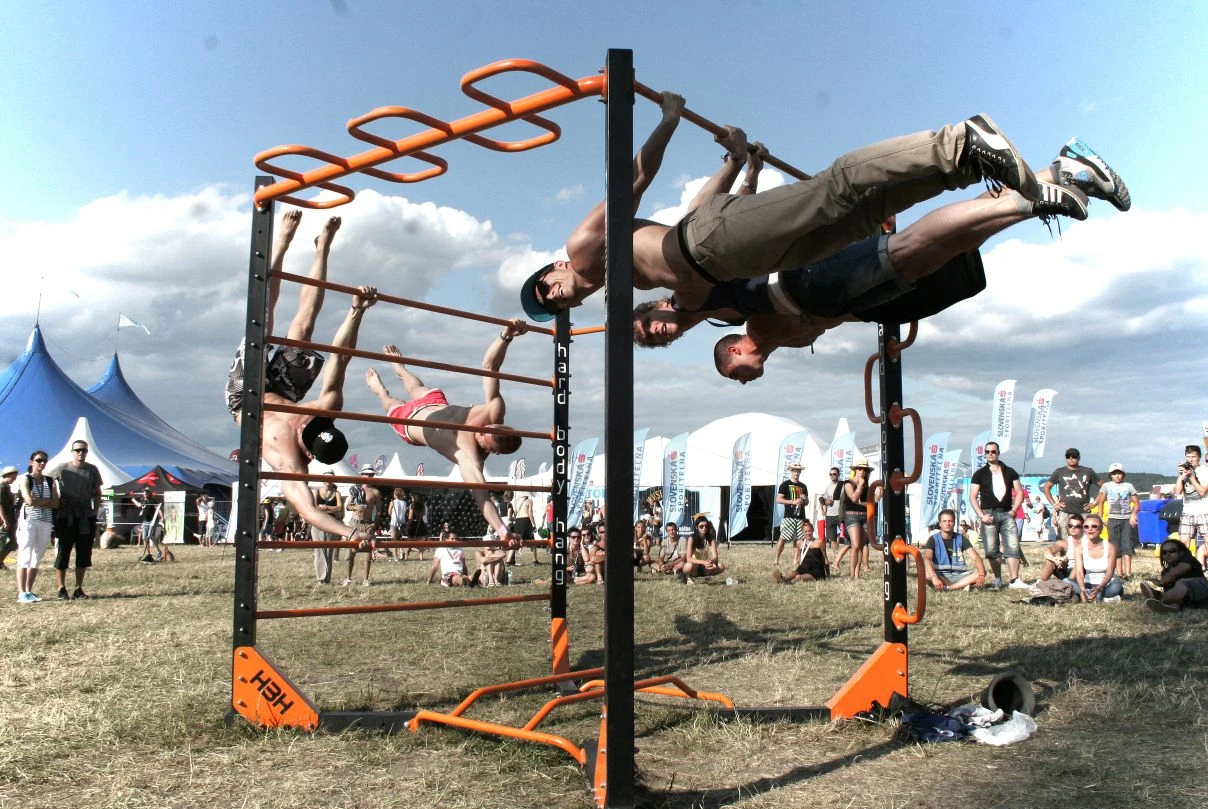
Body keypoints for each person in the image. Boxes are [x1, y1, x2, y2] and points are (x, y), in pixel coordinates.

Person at [520, 91, 1066, 321]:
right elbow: (685, 226)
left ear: (555, 268)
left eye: (546, 288)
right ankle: (970, 166)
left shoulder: (584, 250)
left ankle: (955, 141)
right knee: (857, 217)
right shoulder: (622, 283)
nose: (558, 297)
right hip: (727, 253)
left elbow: (633, 182)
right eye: (555, 306)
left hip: (712, 243)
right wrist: (737, 165)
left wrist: (667, 119)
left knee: (834, 189)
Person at [634, 154, 1103, 360]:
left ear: (654, 305)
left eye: (649, 327)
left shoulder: (686, 289)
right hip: (819, 287)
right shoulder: (709, 315)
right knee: (930, 253)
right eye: (656, 342)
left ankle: (1033, 192)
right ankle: (1048, 178)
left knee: (910, 246)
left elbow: (705, 219)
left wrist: (739, 165)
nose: (659, 334)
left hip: (808, 275)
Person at [224, 211, 379, 544]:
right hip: (282, 393)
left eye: (304, 430)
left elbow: (307, 509)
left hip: (245, 400)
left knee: (262, 324)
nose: (302, 422)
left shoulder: (289, 460)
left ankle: (280, 241)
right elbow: (340, 356)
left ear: (308, 453)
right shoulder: (325, 407)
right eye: (311, 422)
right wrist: (357, 311)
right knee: (304, 329)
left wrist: (350, 533)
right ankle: (319, 247)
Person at [365, 318, 529, 545]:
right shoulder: (494, 410)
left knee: (390, 402)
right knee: (414, 386)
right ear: (498, 423)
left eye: (483, 437)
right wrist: (506, 335)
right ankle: (399, 367)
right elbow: (490, 366)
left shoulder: (468, 457)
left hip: (411, 422)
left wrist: (502, 531)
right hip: (434, 404)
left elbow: (482, 498)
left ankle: (380, 390)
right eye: (486, 428)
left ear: (492, 451)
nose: (479, 431)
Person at [968, 441, 1027, 589]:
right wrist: (982, 516)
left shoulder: (1010, 471)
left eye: (993, 451)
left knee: (1013, 546)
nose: (990, 454)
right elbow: (972, 497)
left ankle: (1014, 580)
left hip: (1006, 513)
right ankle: (998, 579)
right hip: (988, 514)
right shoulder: (979, 474)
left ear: (998, 452)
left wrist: (1014, 510)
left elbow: (1020, 492)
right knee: (991, 549)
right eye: (987, 452)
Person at [52, 439, 104, 600]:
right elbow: (48, 483)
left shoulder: (92, 470)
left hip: (85, 515)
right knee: (63, 552)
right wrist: (57, 500)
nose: (81, 453)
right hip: (66, 515)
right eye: (78, 450)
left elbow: (97, 492)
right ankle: (61, 588)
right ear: (72, 451)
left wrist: (94, 511)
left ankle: (78, 588)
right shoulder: (62, 468)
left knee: (83, 553)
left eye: (84, 450)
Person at [15, 451, 58, 602]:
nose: (42, 463)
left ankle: (29, 590)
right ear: (31, 462)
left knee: (38, 556)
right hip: (29, 520)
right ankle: (21, 593)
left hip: (45, 520)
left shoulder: (49, 480)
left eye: (44, 461)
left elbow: (56, 502)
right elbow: (29, 500)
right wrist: (46, 501)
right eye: (39, 460)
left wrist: (38, 501)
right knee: (25, 554)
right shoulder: (25, 479)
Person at [1087, 463, 1139, 577]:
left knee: (1127, 546)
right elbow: (1100, 502)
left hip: (1126, 519)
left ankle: (1128, 573)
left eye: (1119, 473)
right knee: (1115, 547)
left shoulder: (1129, 486)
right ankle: (1119, 573)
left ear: (1123, 474)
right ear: (1110, 475)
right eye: (1114, 473)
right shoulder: (1106, 486)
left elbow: (1136, 503)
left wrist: (1133, 514)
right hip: (1112, 519)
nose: (1117, 476)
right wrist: (1101, 518)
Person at [1042, 447, 1104, 540]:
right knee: (1063, 535)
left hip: (1084, 511)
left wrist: (1095, 503)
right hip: (1065, 510)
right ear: (1065, 458)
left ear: (1079, 458)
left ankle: (1085, 553)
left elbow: (1104, 487)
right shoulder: (1059, 472)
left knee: (1087, 536)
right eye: (1068, 456)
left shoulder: (1088, 471)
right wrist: (1054, 504)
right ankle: (1064, 553)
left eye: (1074, 456)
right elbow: (1046, 487)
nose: (1071, 458)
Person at [921, 509, 987, 591]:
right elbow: (927, 558)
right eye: (944, 521)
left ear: (954, 523)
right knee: (924, 574)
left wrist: (981, 575)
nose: (947, 524)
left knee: (982, 571)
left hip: (960, 575)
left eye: (950, 521)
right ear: (940, 524)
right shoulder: (933, 539)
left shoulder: (961, 538)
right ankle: (963, 586)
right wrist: (934, 576)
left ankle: (950, 587)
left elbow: (977, 557)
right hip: (941, 575)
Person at [1141, 539, 1208, 613]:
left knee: (1182, 582)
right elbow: (1171, 589)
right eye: (1164, 552)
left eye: (1172, 551)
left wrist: (1160, 582)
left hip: (1203, 592)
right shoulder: (1165, 573)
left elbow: (1177, 571)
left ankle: (1159, 597)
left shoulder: (1188, 559)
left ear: (1181, 552)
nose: (1167, 554)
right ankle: (1170, 607)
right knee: (1174, 595)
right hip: (1190, 602)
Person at [342, 466, 382, 586]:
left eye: (371, 474)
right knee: (350, 553)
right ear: (362, 475)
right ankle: (348, 578)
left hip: (367, 523)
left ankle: (366, 579)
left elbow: (379, 510)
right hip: (354, 522)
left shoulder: (375, 492)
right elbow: (348, 506)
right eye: (366, 474)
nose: (369, 477)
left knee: (367, 553)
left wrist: (375, 523)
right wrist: (355, 507)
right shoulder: (356, 489)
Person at [835, 457, 874, 579]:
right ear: (855, 470)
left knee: (861, 545)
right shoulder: (848, 483)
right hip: (851, 516)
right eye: (860, 468)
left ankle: (857, 574)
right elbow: (853, 498)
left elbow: (872, 502)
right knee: (855, 545)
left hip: (864, 516)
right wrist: (860, 486)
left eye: (865, 469)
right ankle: (852, 574)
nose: (862, 471)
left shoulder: (867, 485)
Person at [1069, 515, 1122, 602]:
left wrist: (1099, 588)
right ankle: (1104, 599)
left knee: (1117, 586)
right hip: (1087, 585)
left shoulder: (1110, 547)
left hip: (1105, 585)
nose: (1090, 529)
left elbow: (1110, 573)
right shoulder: (1079, 548)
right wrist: (1082, 588)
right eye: (1086, 526)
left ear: (1101, 529)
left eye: (1094, 526)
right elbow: (1079, 572)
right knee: (1066, 581)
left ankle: (1092, 597)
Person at [1172, 444, 1208, 562]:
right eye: (1188, 457)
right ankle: (1184, 568)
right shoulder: (1185, 471)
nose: (1190, 459)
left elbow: (1202, 491)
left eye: (1193, 456)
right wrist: (1181, 476)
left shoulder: (1204, 471)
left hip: (1203, 511)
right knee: (1183, 544)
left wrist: (1191, 477)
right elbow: (1177, 491)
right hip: (1187, 511)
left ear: (1199, 457)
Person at [773, 463, 808, 568]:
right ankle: (776, 560)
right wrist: (793, 502)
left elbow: (807, 503)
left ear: (800, 472)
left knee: (799, 539)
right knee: (783, 537)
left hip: (801, 516)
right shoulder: (785, 484)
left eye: (798, 471)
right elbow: (778, 499)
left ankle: (795, 560)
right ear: (791, 472)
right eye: (794, 471)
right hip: (789, 516)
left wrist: (805, 499)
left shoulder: (803, 486)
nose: (796, 473)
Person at [311, 473, 343, 584]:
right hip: (318, 523)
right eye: (327, 477)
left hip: (331, 524)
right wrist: (329, 509)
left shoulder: (336, 493)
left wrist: (326, 508)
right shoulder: (317, 492)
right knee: (319, 551)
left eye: (331, 477)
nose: (329, 480)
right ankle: (320, 578)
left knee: (329, 551)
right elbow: (313, 506)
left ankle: (327, 579)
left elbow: (339, 507)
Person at [1036, 515, 1083, 582]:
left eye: (1077, 526)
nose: (1073, 528)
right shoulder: (1064, 542)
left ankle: (1070, 584)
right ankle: (1039, 583)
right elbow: (1047, 550)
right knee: (1050, 561)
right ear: (1067, 527)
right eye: (1070, 526)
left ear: (1083, 528)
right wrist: (1055, 560)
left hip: (1081, 571)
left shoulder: (1087, 541)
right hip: (1067, 570)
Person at [680, 516, 725, 583]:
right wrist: (703, 562)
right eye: (701, 526)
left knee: (721, 566)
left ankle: (707, 576)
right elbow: (688, 558)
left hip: (705, 566)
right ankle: (688, 577)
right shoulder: (691, 538)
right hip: (694, 565)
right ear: (696, 527)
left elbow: (715, 556)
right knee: (688, 566)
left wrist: (711, 561)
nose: (704, 528)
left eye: (706, 526)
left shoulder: (711, 538)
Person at [819, 467, 844, 557]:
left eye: (834, 474)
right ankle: (835, 556)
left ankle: (849, 553)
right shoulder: (828, 487)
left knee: (847, 535)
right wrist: (824, 506)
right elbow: (822, 499)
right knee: (832, 537)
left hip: (840, 514)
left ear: (838, 475)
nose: (832, 476)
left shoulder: (843, 485)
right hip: (830, 515)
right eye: (830, 474)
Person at [0, 465, 19, 570]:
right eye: (12, 477)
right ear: (6, 475)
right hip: (3, 520)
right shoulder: (1, 487)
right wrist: (4, 520)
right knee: (2, 543)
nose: (14, 479)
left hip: (10, 519)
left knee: (13, 543)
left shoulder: (7, 488)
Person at [387, 488, 409, 560]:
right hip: (402, 522)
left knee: (394, 540)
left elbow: (389, 512)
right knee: (399, 539)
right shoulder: (404, 503)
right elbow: (404, 512)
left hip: (394, 522)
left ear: (395, 494)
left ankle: (395, 557)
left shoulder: (392, 502)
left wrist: (393, 516)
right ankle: (401, 552)